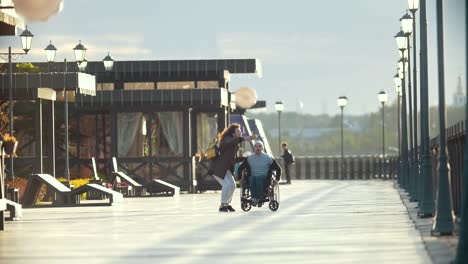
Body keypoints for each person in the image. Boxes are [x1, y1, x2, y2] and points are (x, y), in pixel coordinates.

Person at [209, 123, 256, 212]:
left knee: (233, 185)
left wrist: (245, 158)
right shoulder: (226, 140)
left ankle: (227, 204)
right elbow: (230, 142)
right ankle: (222, 205)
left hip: (225, 169)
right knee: (226, 185)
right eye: (238, 131)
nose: (240, 132)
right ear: (233, 133)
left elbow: (233, 160)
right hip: (217, 168)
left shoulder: (235, 144)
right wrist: (244, 139)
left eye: (240, 131)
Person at [239, 141, 281, 206]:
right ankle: (254, 198)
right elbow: (240, 168)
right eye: (256, 146)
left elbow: (278, 168)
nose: (258, 148)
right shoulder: (249, 158)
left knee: (258, 178)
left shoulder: (268, 158)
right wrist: (240, 179)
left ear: (262, 148)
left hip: (265, 178)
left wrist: (277, 179)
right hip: (252, 177)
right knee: (251, 178)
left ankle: (259, 198)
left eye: (260, 146)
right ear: (254, 148)